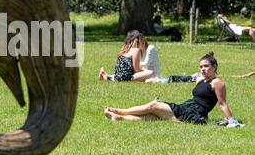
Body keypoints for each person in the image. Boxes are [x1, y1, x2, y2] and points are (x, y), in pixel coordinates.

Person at [103, 52, 241, 126]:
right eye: (201, 67)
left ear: (214, 66)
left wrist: (231, 121)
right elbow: (181, 79)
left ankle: (119, 111)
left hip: (193, 115)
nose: (203, 69)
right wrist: (159, 80)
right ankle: (118, 118)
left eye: (206, 66)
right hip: (187, 108)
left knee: (154, 105)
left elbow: (222, 104)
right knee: (153, 117)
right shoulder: (202, 79)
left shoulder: (217, 83)